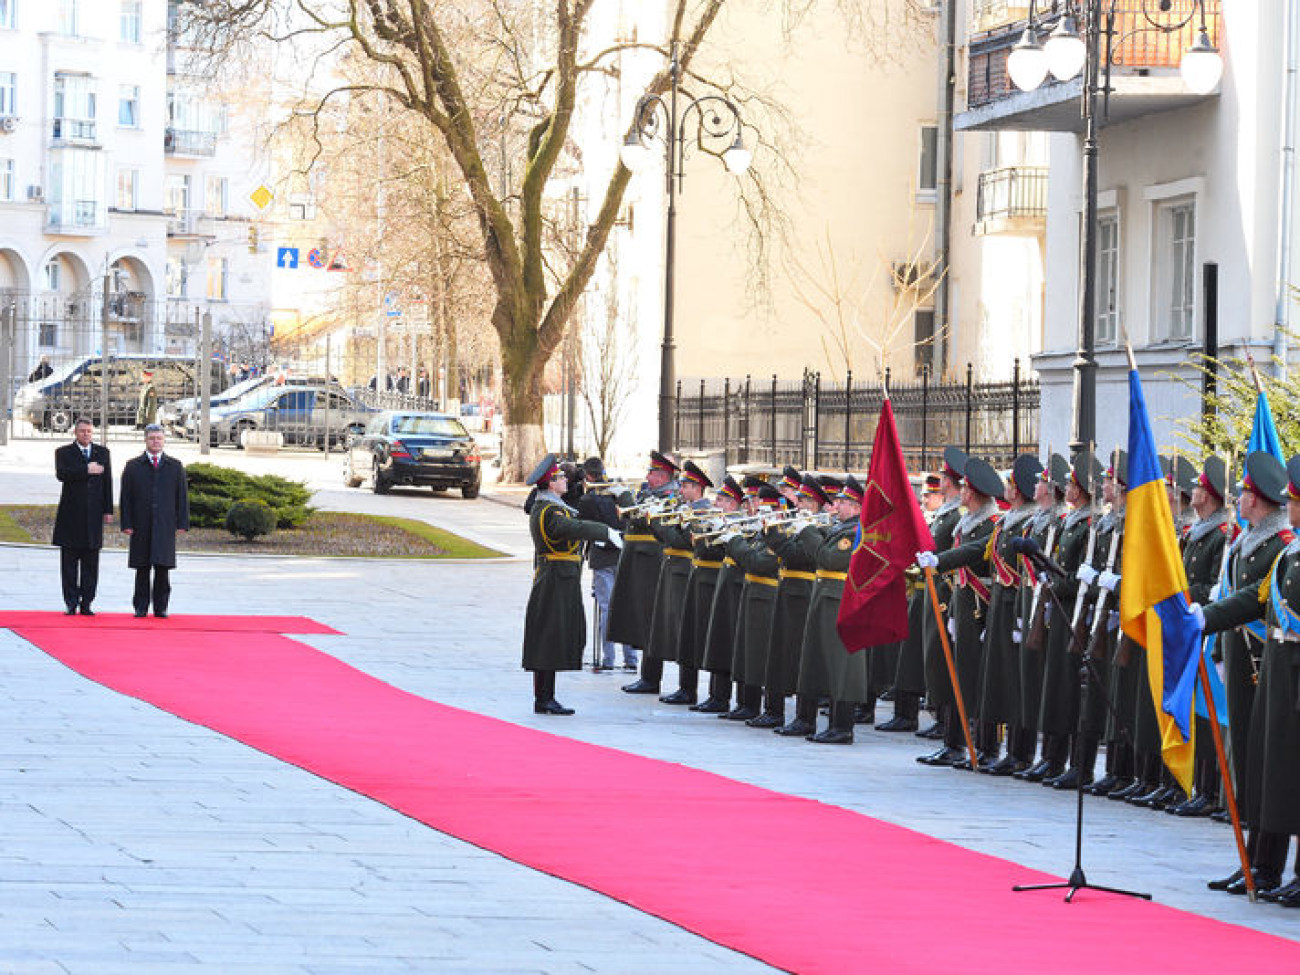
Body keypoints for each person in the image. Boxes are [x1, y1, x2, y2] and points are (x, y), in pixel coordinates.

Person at [1197, 451, 1295, 894]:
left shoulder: (1282, 546)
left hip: (1279, 666)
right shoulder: (1276, 550)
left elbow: (1261, 599)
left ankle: (1274, 868)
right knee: (1261, 765)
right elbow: (1254, 594)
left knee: (1282, 769)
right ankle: (1257, 862)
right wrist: (1209, 622)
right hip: (1264, 666)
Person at [915, 455, 1003, 766]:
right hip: (961, 606)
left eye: (965, 488)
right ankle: (953, 742)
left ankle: (986, 747)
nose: (961, 492)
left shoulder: (992, 525)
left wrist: (940, 560)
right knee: (955, 676)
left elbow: (974, 554)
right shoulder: (966, 522)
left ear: (974, 493)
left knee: (977, 680)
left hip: (981, 609)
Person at [521, 454, 622, 714]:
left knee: (553, 637)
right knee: (549, 638)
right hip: (554, 579)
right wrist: (605, 532)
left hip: (560, 578)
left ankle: (545, 697)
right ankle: (544, 698)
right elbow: (571, 527)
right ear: (550, 483)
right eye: (560, 477)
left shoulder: (553, 507)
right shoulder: (549, 511)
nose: (566, 479)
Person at [613, 452, 680, 693]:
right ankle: (647, 676)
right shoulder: (649, 493)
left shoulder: (669, 497)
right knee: (641, 619)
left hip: (650, 562)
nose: (647, 476)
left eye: (652, 473)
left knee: (650, 619)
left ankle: (651, 678)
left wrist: (624, 496)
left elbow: (640, 517)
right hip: (638, 560)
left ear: (662, 476)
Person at [119, 425, 190, 618]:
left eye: (159, 438)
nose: (155, 441)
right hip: (141, 524)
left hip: (165, 524)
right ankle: (140, 607)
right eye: (152, 438)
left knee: (162, 568)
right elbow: (125, 497)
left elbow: (181, 496)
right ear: (145, 440)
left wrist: (182, 522)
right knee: (142, 568)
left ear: (164, 440)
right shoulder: (133, 466)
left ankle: (161, 607)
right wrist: (126, 523)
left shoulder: (175, 466)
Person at [574, 457, 632, 670]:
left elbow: (582, 526)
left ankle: (608, 659)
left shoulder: (588, 500)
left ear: (588, 476)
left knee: (606, 608)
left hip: (601, 556)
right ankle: (631, 659)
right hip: (622, 555)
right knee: (624, 607)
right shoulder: (618, 494)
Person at [52, 418, 113, 615]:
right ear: (75, 433)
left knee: (91, 563)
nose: (86, 434)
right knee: (69, 563)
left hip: (93, 517)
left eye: (89, 431)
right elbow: (62, 474)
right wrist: (86, 469)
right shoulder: (64, 453)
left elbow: (107, 483)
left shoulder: (102, 453)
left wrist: (108, 510)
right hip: (71, 516)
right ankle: (71, 601)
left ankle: (87, 602)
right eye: (82, 431)